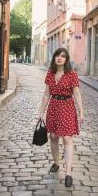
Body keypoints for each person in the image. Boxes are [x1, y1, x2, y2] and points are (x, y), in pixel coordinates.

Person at [39, 47, 84, 187]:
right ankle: (56, 163)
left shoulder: (72, 75)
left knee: (67, 138)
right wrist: (41, 112)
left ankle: (68, 172)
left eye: (63, 56)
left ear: (66, 59)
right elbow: (47, 94)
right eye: (57, 55)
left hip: (67, 107)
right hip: (54, 107)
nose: (60, 58)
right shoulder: (50, 74)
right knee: (53, 136)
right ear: (54, 58)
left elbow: (76, 94)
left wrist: (81, 112)